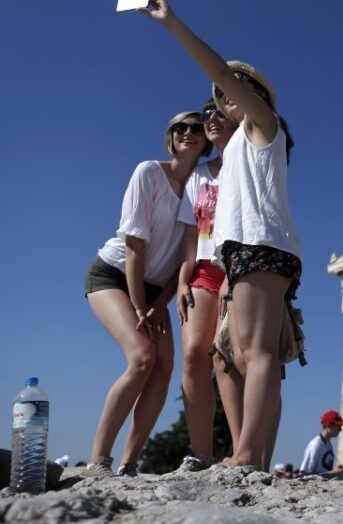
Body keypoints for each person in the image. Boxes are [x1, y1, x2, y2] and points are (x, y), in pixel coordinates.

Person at [143, 0, 303, 471]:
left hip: (261, 247)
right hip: (244, 252)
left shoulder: (263, 128)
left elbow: (221, 72)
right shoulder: (234, 152)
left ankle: (249, 455)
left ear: (252, 96)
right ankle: (250, 452)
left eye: (228, 93)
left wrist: (170, 21)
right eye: (214, 98)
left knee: (255, 354)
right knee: (232, 356)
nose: (219, 101)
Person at [82, 112, 210, 478]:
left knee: (164, 366)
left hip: (156, 290)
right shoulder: (148, 172)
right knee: (141, 357)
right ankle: (97, 461)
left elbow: (185, 258)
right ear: (170, 136)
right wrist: (140, 305)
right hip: (114, 273)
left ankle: (129, 464)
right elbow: (135, 243)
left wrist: (158, 303)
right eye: (180, 127)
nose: (188, 132)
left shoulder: (199, 188)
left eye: (197, 128)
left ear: (205, 141)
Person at [176, 99, 241, 472]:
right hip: (203, 268)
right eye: (206, 116)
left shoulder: (249, 161)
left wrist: (235, 272)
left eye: (219, 112)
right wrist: (183, 277)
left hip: (240, 266)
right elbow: (191, 231)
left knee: (228, 359)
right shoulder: (199, 175)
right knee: (192, 357)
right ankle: (200, 453)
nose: (211, 120)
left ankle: (242, 450)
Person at [300, 411, 343, 475]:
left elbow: (323, 470)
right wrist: (332, 473)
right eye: (339, 426)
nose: (340, 430)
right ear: (330, 425)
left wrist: (335, 470)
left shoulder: (329, 444)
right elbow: (305, 473)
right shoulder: (315, 445)